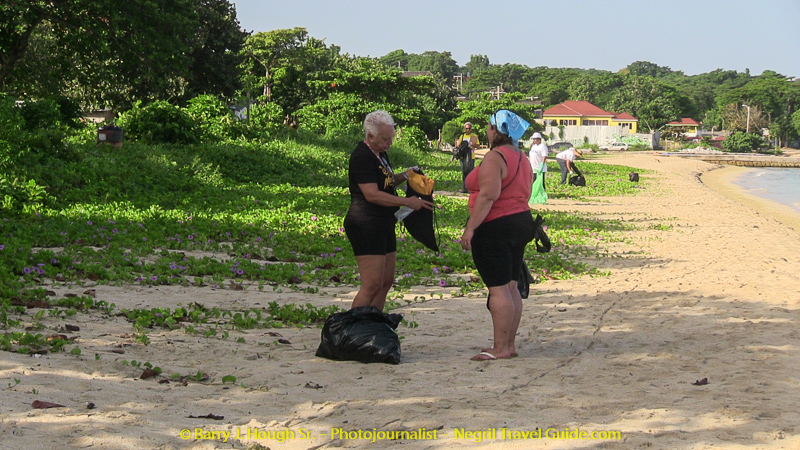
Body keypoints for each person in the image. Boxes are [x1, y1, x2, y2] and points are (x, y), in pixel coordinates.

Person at [461, 110, 535, 361]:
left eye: (489, 126)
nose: (486, 130)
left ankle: (500, 347)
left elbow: (488, 195)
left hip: (496, 224)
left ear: (496, 130)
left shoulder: (495, 157)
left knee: (498, 288)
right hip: (521, 221)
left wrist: (471, 227)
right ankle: (508, 344)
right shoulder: (522, 156)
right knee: (511, 285)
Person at [344, 111, 434, 311]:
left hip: (384, 223)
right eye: (385, 139)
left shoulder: (380, 154)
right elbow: (372, 194)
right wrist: (407, 202)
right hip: (366, 224)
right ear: (370, 136)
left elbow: (387, 181)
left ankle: (374, 322)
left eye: (391, 138)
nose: (390, 143)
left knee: (385, 282)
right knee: (372, 284)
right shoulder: (362, 157)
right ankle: (352, 325)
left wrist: (406, 175)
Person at [455, 122, 479, 193]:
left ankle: (471, 188)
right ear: (464, 129)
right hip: (463, 157)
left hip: (471, 156)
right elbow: (458, 146)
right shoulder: (462, 136)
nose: (468, 130)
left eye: (469, 128)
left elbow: (478, 146)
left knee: (470, 172)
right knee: (464, 172)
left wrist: (472, 145)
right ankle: (465, 188)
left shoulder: (474, 136)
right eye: (466, 128)